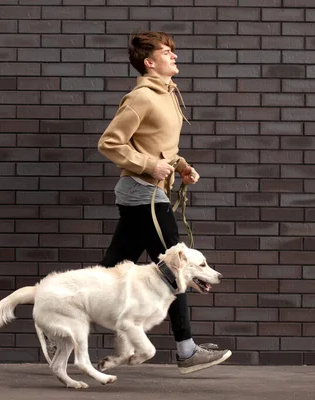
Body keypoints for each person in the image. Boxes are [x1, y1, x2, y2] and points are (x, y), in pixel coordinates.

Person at [97, 31, 232, 374]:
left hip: (148, 192)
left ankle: (64, 316)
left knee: (111, 268)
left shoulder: (168, 95)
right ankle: (186, 350)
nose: (175, 56)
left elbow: (157, 146)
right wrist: (149, 166)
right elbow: (110, 143)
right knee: (178, 265)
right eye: (167, 52)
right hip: (143, 192)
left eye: (173, 51)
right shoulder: (141, 97)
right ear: (149, 61)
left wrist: (180, 166)